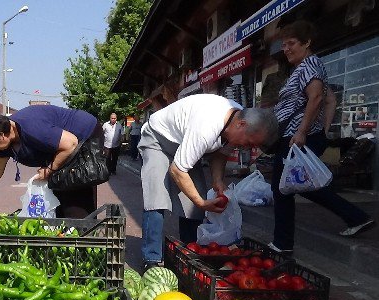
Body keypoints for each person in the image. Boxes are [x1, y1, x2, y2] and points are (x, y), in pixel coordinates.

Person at [139, 94, 279, 269]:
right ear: (241, 125)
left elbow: (221, 153)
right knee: (157, 198)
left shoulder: (236, 121)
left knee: (193, 205)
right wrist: (202, 202)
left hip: (184, 143)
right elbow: (177, 170)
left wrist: (217, 180)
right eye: (249, 143)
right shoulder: (206, 127)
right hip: (159, 139)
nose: (247, 148)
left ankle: (188, 251)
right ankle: (151, 258)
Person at [269, 21, 374, 254]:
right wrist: (322, 131)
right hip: (299, 137)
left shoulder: (309, 65)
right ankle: (356, 217)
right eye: (284, 44)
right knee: (300, 185)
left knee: (283, 189)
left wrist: (303, 132)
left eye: (291, 43)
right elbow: (330, 100)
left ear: (307, 43)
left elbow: (316, 98)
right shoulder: (307, 68)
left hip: (295, 139)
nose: (286, 49)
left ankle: (282, 244)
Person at [0, 105, 99, 219]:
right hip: (64, 149)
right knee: (56, 198)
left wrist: (49, 169)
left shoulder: (31, 126)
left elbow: (70, 143)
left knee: (74, 202)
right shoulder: (4, 141)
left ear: (1, 135)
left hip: (84, 138)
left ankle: (83, 239)